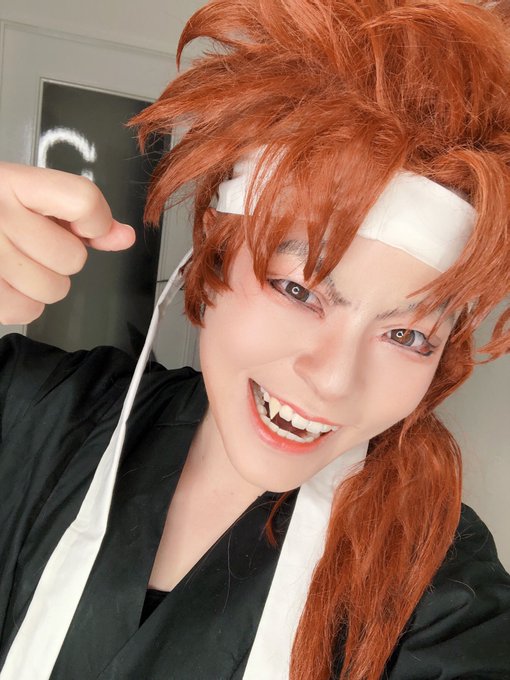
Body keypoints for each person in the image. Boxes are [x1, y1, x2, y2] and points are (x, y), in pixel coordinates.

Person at [0, 0, 509, 678]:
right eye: (299, 290)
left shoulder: (439, 587)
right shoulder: (35, 412)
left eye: (407, 334)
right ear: (212, 253)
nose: (333, 379)